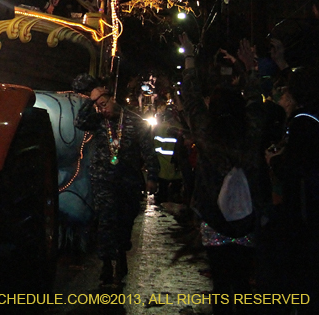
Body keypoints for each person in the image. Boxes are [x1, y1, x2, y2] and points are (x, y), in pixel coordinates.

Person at [179, 35, 264, 315]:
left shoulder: (207, 133)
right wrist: (250, 69)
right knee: (242, 280)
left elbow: (191, 100)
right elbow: (255, 100)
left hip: (214, 221)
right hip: (248, 219)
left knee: (220, 281)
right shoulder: (251, 132)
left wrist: (189, 59)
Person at [73, 74, 159, 286]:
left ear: (113, 99)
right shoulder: (98, 121)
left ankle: (121, 256)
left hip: (128, 180)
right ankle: (106, 265)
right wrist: (92, 100)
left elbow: (148, 150)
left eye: (104, 104)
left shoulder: (136, 122)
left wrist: (152, 177)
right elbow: (79, 122)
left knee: (125, 221)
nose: (102, 110)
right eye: (99, 107)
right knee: (105, 221)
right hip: (103, 179)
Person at [265, 66, 319, 309]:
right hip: (308, 201)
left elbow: (295, 165)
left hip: (303, 205)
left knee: (301, 267)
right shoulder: (312, 117)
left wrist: (273, 161)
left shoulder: (302, 122)